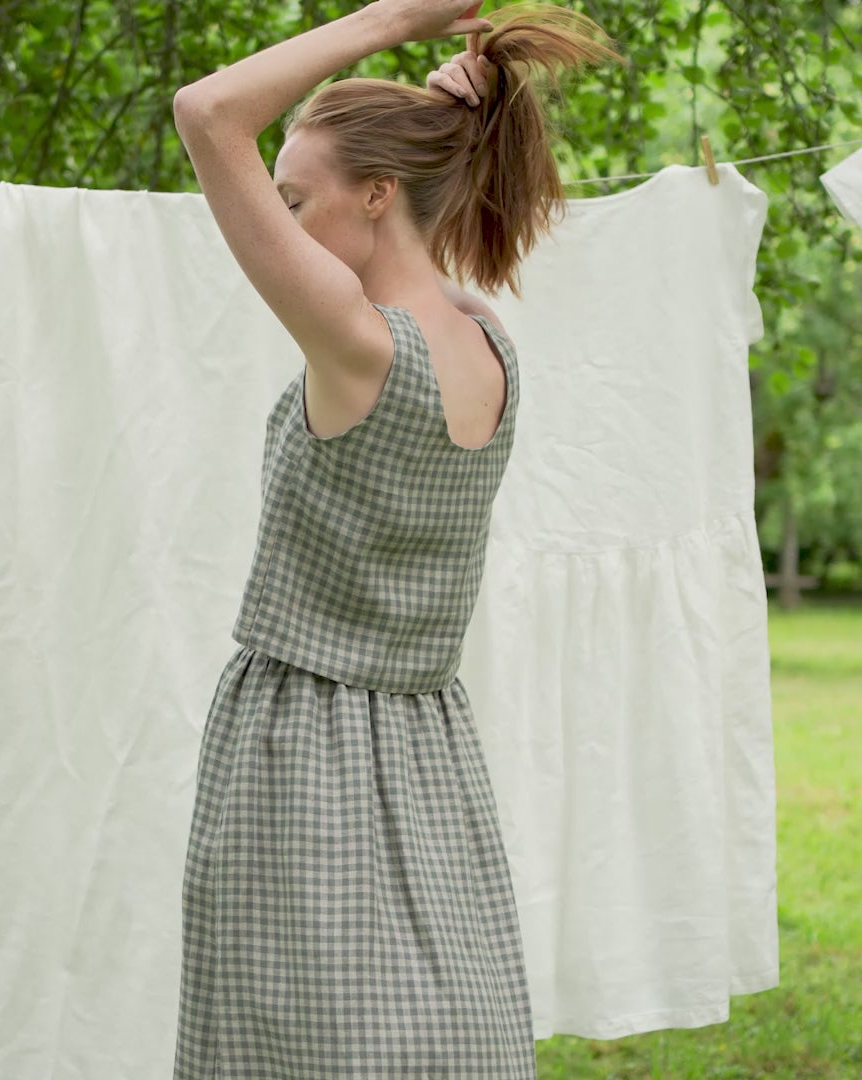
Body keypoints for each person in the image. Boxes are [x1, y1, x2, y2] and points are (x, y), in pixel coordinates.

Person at [171, 3, 621, 1076]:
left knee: (292, 1044)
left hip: (300, 744)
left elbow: (207, 111)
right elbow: (412, 256)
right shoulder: (489, 343)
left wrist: (392, 20)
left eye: (295, 199)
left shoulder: (355, 343)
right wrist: (437, 109)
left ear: (376, 195)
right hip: (428, 751)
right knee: (429, 1029)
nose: (280, 217)